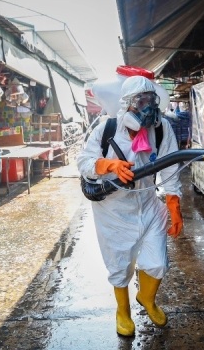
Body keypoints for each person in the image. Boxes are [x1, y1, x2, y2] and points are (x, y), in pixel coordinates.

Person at [77, 75, 183, 336]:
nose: (147, 107)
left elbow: (171, 167)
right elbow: (84, 162)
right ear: (127, 104)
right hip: (113, 211)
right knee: (120, 265)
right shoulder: (106, 129)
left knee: (158, 261)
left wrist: (173, 206)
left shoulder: (160, 128)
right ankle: (122, 311)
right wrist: (109, 165)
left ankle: (146, 298)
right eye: (140, 101)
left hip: (148, 204)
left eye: (151, 100)